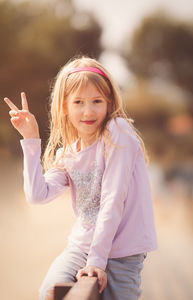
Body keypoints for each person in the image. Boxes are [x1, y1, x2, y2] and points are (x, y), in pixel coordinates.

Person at [4, 56, 157, 300]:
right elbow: (36, 195)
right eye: (78, 102)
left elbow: (113, 198)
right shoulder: (68, 154)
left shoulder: (117, 133)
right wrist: (31, 139)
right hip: (81, 248)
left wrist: (97, 262)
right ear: (65, 106)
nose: (88, 111)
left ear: (108, 103)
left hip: (122, 253)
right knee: (50, 293)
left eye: (97, 101)